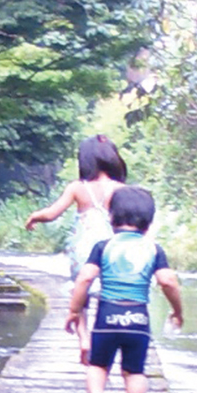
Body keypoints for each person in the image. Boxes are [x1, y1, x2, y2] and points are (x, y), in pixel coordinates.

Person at [66, 185, 184, 393]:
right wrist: (177, 311)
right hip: (138, 319)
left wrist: (75, 310)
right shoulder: (154, 249)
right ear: (148, 224)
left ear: (111, 218)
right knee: (135, 372)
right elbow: (167, 281)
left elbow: (85, 279)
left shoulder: (103, 246)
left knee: (98, 366)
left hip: (107, 315)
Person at [24, 135, 127, 361]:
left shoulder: (77, 188)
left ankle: (84, 338)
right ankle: (105, 337)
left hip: (82, 251)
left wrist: (34, 217)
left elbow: (52, 213)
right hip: (112, 249)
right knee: (107, 294)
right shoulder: (121, 189)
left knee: (80, 293)